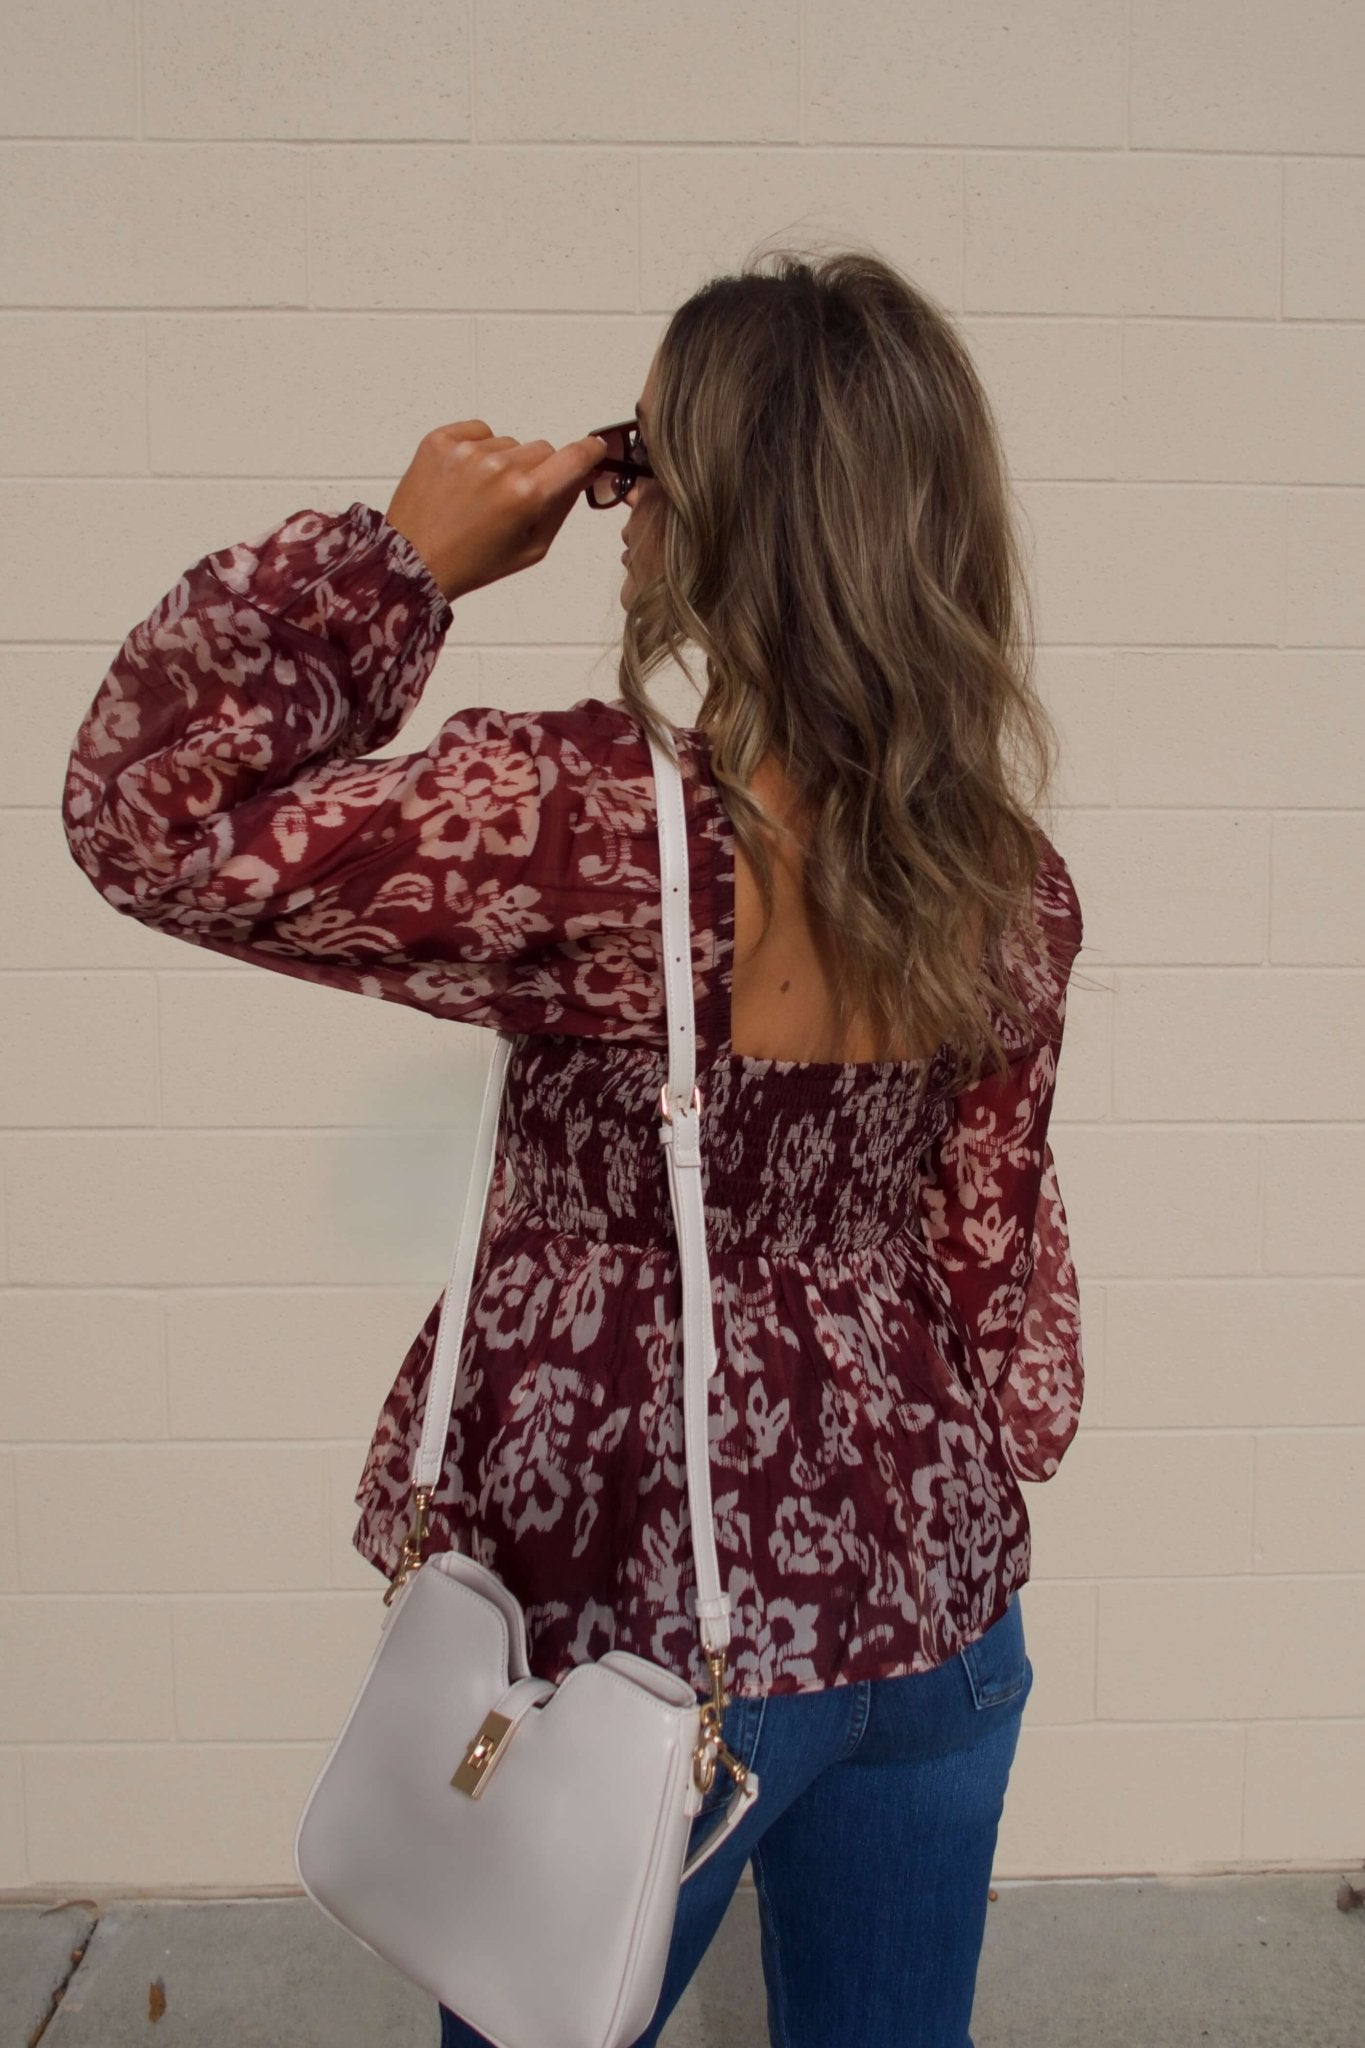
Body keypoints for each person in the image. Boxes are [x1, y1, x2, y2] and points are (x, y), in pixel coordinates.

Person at [61, 246, 1086, 2048]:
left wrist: (398, 562)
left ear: (725, 514)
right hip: (941, 1610)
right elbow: (995, 1266)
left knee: (532, 2018)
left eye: (646, 458)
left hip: (643, 1620)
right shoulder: (1002, 877)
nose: (618, 505)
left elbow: (156, 818)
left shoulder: (597, 831)